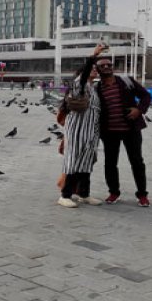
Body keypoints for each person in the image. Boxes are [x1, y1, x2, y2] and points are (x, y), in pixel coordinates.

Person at [94, 55, 152, 207]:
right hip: (109, 132)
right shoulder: (96, 88)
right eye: (103, 66)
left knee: (137, 162)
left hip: (131, 129)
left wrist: (139, 110)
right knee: (110, 163)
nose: (107, 67)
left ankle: (142, 195)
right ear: (98, 70)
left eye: (109, 65)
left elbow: (146, 96)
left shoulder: (126, 81)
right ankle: (114, 192)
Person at [58, 44, 106, 208]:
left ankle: (83, 194)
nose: (95, 70)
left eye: (95, 69)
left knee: (86, 161)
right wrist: (94, 56)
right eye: (92, 68)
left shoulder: (92, 88)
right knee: (72, 160)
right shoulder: (79, 84)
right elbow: (85, 74)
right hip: (77, 129)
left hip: (91, 130)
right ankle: (65, 195)